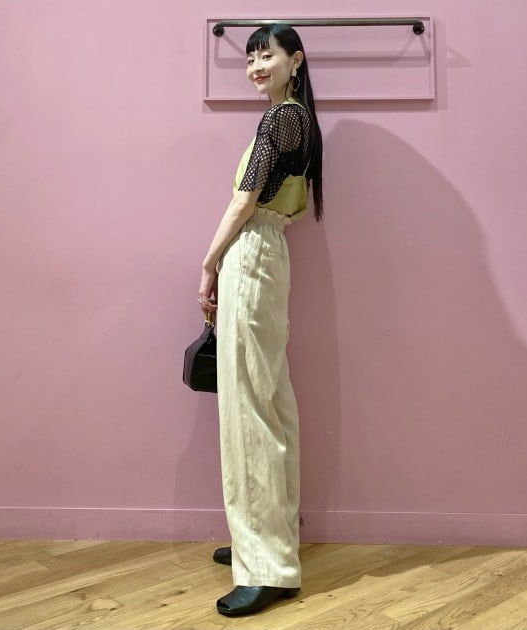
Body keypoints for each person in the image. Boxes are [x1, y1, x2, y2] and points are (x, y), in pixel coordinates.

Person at [197, 23, 323, 617]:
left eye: (266, 55)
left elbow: (245, 200)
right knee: (269, 403)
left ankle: (266, 564)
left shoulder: (279, 120)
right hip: (270, 256)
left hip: (252, 253)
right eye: (249, 58)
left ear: (295, 60)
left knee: (249, 411)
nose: (255, 66)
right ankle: (269, 545)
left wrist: (209, 262)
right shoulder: (299, 118)